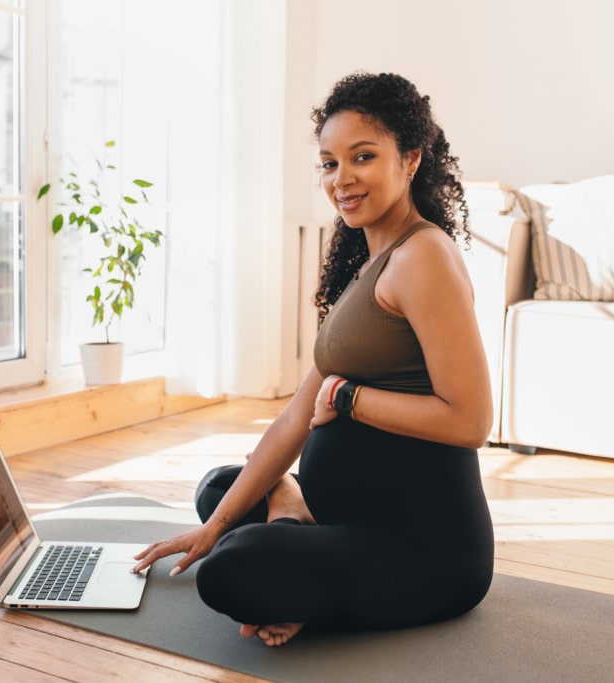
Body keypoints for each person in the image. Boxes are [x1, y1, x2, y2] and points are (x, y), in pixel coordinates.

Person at [132, 71, 494, 647]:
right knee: (220, 490)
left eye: (363, 156)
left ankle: (297, 564)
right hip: (350, 521)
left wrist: (348, 401)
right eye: (329, 163)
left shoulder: (424, 256)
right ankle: (294, 521)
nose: (341, 178)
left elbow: (470, 422)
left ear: (410, 160)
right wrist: (211, 528)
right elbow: (294, 418)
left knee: (232, 569)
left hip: (425, 552)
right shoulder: (369, 265)